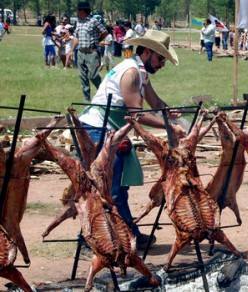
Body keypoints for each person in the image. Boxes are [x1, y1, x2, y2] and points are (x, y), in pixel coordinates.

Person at [79, 30, 183, 249]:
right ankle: (106, 237)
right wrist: (168, 126)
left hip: (112, 129)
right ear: (146, 52)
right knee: (110, 188)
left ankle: (124, 233)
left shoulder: (141, 72)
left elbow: (155, 103)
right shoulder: (132, 72)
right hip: (98, 129)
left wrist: (170, 113)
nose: (162, 63)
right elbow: (136, 115)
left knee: (118, 187)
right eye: (160, 57)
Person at [73, 2, 107, 100]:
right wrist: (71, 50)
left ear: (83, 11)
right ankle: (86, 100)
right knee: (83, 78)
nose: (77, 12)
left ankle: (104, 93)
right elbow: (76, 36)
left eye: (78, 10)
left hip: (92, 53)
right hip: (80, 52)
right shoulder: (78, 22)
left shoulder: (93, 21)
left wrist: (98, 41)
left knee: (93, 76)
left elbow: (104, 32)